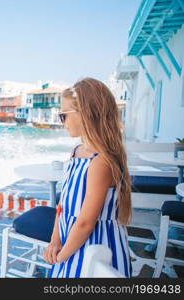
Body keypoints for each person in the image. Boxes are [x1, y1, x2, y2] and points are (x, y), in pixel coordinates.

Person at [43, 77, 132, 277]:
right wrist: (56, 240)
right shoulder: (76, 152)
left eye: (63, 115)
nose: (62, 122)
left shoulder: (101, 163)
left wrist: (61, 257)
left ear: (86, 114)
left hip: (94, 248)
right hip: (70, 243)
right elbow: (62, 206)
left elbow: (85, 223)